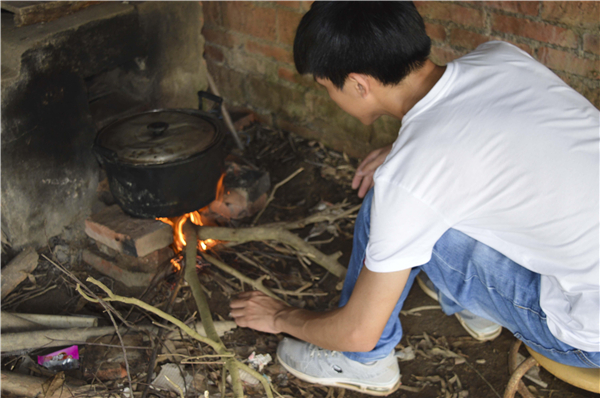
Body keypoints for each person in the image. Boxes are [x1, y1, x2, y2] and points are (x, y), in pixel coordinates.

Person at [230, 2, 600, 395]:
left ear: (358, 84)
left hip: (586, 338)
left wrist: (280, 316)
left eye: (326, 87)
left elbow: (358, 330)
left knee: (383, 208)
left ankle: (365, 365)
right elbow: (492, 132)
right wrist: (400, 149)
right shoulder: (501, 57)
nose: (329, 96)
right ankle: (479, 307)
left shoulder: (411, 177)